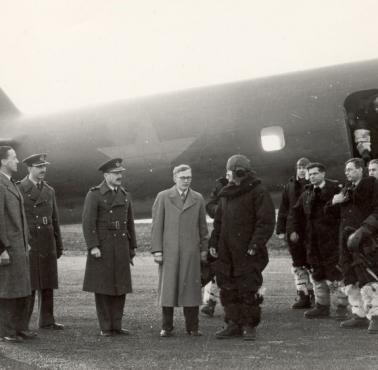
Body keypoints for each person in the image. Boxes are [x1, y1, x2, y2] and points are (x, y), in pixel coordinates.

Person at [211, 154, 275, 341]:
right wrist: (214, 243)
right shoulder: (226, 193)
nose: (227, 175)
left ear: (239, 172)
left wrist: (255, 244)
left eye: (229, 171)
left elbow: (266, 222)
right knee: (228, 287)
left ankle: (249, 326)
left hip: (248, 251)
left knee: (248, 288)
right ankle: (233, 324)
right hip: (226, 251)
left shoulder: (258, 191)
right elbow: (218, 222)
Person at [151, 164, 208, 337]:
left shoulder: (198, 198)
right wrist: (157, 250)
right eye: (183, 177)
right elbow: (157, 226)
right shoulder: (163, 197)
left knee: (191, 290)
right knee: (168, 290)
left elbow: (203, 228)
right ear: (174, 178)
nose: (186, 181)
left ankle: (193, 327)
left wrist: (203, 250)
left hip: (191, 253)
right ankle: (166, 327)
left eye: (189, 177)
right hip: (170, 253)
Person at [82, 158, 137, 337]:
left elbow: (129, 223)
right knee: (103, 288)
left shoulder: (125, 194)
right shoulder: (94, 194)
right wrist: (93, 246)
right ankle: (106, 327)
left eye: (121, 173)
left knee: (120, 287)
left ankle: (117, 325)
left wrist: (132, 247)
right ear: (106, 175)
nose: (119, 176)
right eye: (116, 173)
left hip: (121, 246)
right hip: (103, 246)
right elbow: (88, 222)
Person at [291, 162, 348, 320]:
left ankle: (341, 307)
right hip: (313, 240)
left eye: (315, 173)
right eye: (310, 174)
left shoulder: (336, 190)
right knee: (317, 273)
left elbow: (342, 213)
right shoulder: (307, 192)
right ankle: (322, 306)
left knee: (336, 273)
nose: (312, 176)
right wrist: (295, 230)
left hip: (332, 239)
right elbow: (296, 212)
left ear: (323, 174)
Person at [329, 158, 378, 333]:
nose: (346, 172)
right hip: (346, 238)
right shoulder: (347, 189)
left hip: (365, 238)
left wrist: (364, 230)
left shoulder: (372, 186)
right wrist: (334, 202)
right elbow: (330, 215)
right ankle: (359, 314)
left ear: (360, 170)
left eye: (350, 169)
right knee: (350, 274)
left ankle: (376, 316)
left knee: (368, 276)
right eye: (346, 170)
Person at [18, 154, 64, 330]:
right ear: (29, 168)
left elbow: (54, 219)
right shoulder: (20, 189)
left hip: (47, 241)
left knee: (47, 283)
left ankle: (47, 321)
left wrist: (58, 244)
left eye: (44, 166)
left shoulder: (49, 190)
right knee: (29, 286)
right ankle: (22, 324)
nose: (43, 170)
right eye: (39, 167)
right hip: (30, 242)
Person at [0, 146, 33, 342]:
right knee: (7, 290)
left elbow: (20, 218)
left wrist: (26, 241)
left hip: (19, 246)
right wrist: (1, 249)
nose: (17, 161)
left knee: (21, 288)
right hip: (8, 247)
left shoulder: (10, 183)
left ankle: (20, 328)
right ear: (3, 161)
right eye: (13, 158)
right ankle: (6, 331)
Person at [276, 157, 314, 309]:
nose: (302, 169)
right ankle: (303, 295)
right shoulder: (289, 186)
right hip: (293, 231)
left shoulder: (312, 185)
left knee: (312, 262)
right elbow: (284, 209)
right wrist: (280, 229)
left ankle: (317, 296)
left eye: (305, 167)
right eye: (299, 166)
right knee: (298, 264)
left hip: (310, 231)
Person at [201, 175, 229, 317]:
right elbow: (210, 205)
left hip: (243, 236)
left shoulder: (248, 184)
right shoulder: (221, 184)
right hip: (222, 234)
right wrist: (223, 210)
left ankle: (249, 304)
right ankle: (210, 303)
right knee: (217, 268)